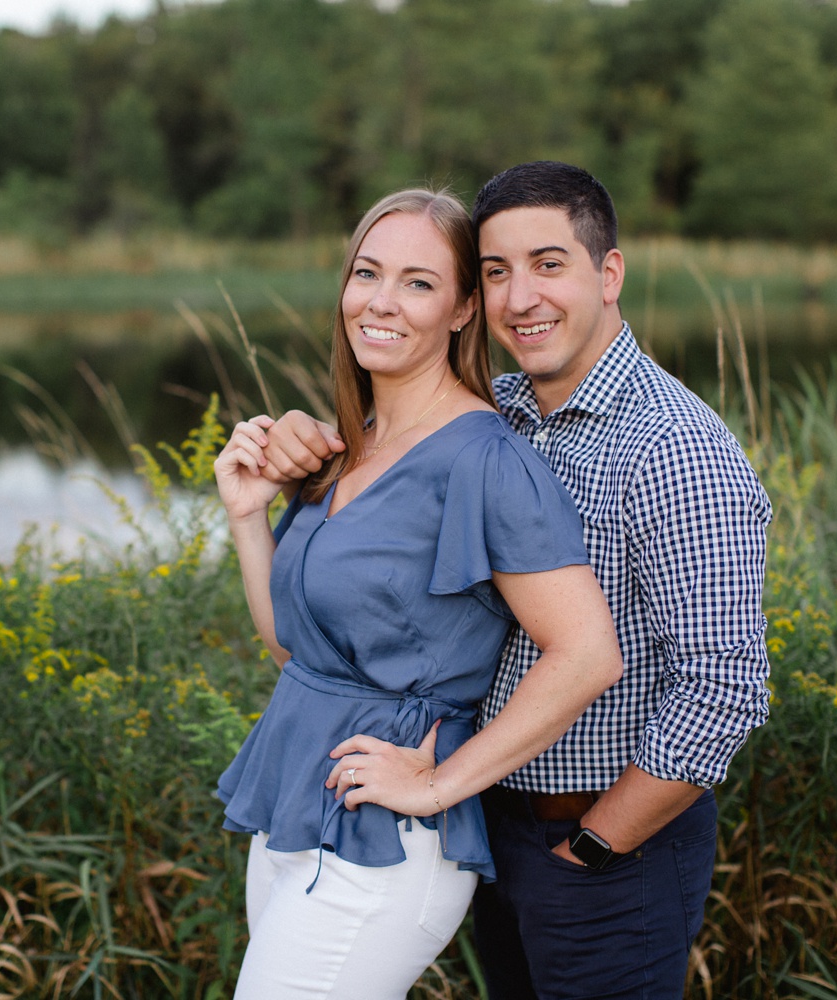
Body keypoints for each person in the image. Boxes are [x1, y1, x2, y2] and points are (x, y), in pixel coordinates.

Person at [256, 162, 773, 999]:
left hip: (606, 846)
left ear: (609, 273)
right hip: (491, 826)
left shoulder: (677, 449)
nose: (520, 296)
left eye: (549, 263)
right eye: (496, 271)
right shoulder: (502, 408)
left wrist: (599, 844)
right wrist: (304, 444)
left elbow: (724, 689)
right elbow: (396, 459)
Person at [212, 187, 624, 1000]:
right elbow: (296, 652)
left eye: (418, 283)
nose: (381, 302)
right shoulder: (347, 448)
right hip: (296, 807)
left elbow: (587, 653)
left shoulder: (485, 460)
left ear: (465, 308)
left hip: (391, 845)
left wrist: (437, 784)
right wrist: (247, 519)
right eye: (367, 274)